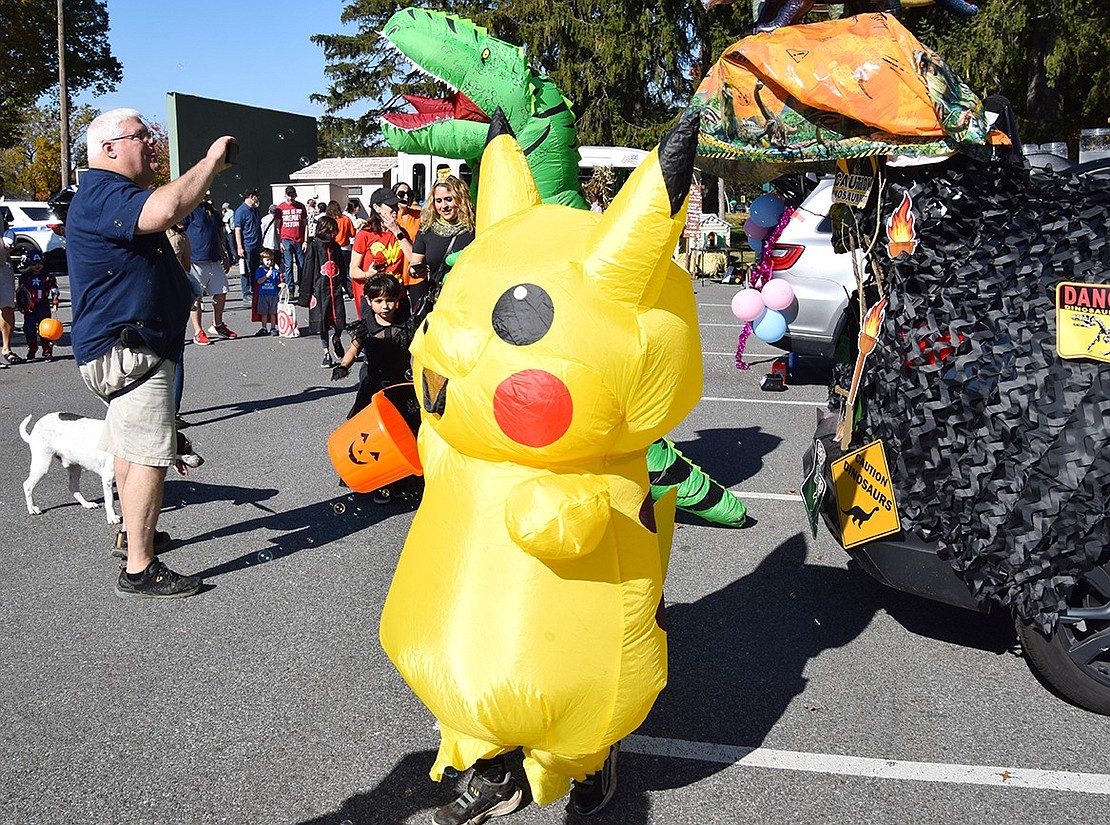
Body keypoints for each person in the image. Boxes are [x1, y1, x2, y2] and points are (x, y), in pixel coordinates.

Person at [66, 106, 233, 598]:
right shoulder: (102, 191)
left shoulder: (110, 196)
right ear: (109, 148)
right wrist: (210, 162)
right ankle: (140, 568)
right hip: (129, 348)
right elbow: (164, 209)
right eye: (142, 136)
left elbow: (161, 234)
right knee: (146, 455)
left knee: (126, 446)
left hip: (124, 346)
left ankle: (130, 534)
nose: (151, 144)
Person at [331, 273, 415, 504]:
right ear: (368, 301)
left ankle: (400, 481)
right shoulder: (367, 326)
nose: (385, 306)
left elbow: (418, 353)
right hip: (374, 388)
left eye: (389, 300)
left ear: (397, 300)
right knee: (373, 438)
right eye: (378, 301)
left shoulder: (407, 325)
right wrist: (344, 366)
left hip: (401, 388)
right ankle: (380, 482)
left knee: (402, 436)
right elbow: (353, 349)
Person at [409, 175, 475, 319]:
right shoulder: (426, 229)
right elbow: (415, 262)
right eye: (438, 201)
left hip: (470, 301)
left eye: (449, 199)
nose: (443, 206)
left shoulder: (474, 227)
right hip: (439, 303)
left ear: (460, 199)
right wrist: (415, 270)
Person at [349, 187, 410, 319]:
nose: (395, 209)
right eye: (390, 206)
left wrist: (396, 232)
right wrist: (367, 274)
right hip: (374, 297)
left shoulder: (401, 232)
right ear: (377, 208)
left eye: (396, 205)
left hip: (396, 294)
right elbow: (353, 271)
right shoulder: (365, 234)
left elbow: (412, 257)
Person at [183, 195, 236, 344]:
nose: (207, 194)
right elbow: (180, 233)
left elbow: (218, 234)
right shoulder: (188, 209)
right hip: (195, 260)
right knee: (196, 298)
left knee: (221, 292)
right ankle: (198, 332)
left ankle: (217, 325)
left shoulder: (211, 210)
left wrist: (224, 254)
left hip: (214, 259)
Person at [298, 215, 347, 368]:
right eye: (332, 231)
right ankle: (326, 353)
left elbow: (342, 269)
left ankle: (337, 338)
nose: (333, 235)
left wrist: (348, 287)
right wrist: (306, 294)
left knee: (340, 321)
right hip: (320, 290)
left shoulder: (336, 247)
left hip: (336, 289)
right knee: (322, 323)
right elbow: (308, 270)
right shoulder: (314, 246)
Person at [16, 250, 59, 361]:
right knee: (29, 328)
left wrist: (55, 302)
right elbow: (21, 292)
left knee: (45, 329)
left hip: (43, 305)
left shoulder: (48, 277)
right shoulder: (24, 277)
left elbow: (54, 289)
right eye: (34, 263)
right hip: (30, 307)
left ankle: (47, 350)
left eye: (40, 263)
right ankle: (32, 348)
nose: (37, 266)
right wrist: (22, 305)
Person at [0, 173, 20, 367]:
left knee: (7, 307)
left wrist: (8, 242)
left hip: (3, 266)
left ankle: (7, 348)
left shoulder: (1, 213)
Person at [275, 185, 308, 296]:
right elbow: (277, 226)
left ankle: (302, 287)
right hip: (286, 239)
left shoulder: (301, 207)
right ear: (285, 196)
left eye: (293, 195)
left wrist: (305, 241)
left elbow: (305, 224)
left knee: (302, 264)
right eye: (289, 195)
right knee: (288, 265)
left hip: (299, 240)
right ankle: (291, 288)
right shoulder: (280, 208)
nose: (291, 197)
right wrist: (279, 241)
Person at [233, 189, 262, 302]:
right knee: (245, 270)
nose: (258, 198)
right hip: (247, 245)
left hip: (256, 245)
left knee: (255, 270)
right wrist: (240, 247)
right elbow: (237, 230)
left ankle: (255, 291)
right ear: (251, 196)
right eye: (257, 196)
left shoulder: (255, 210)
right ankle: (246, 293)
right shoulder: (241, 211)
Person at [253, 248, 282, 336]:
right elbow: (259, 281)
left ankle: (273, 327)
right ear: (262, 260)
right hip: (263, 294)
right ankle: (264, 327)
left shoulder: (275, 272)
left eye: (271, 260)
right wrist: (266, 276)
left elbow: (277, 283)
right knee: (264, 313)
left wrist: (282, 284)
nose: (269, 262)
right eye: (267, 260)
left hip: (273, 294)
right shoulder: (260, 270)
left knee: (273, 312)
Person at [328, 200, 356, 279]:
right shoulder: (346, 219)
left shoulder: (329, 220)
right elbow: (353, 233)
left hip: (333, 248)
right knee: (346, 270)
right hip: (346, 247)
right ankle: (350, 289)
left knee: (335, 271)